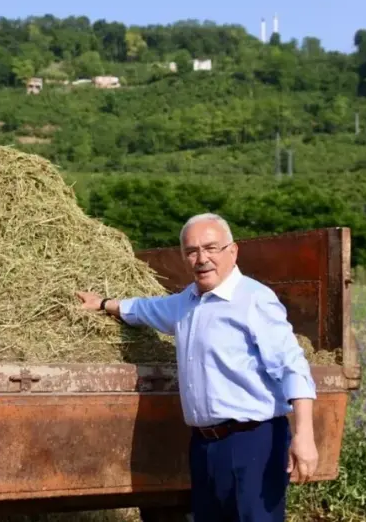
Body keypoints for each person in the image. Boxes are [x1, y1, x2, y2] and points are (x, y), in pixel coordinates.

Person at [76, 212, 318, 522]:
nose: (201, 258)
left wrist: (304, 436)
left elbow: (292, 367)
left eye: (211, 248)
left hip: (253, 442)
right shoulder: (185, 303)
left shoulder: (253, 300)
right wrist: (103, 303)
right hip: (205, 446)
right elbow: (143, 309)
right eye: (192, 251)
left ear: (232, 251)